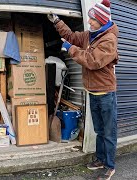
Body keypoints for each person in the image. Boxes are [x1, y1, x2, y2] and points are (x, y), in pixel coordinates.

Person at [48, 0, 118, 179]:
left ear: (102, 20)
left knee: (108, 133)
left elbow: (93, 61)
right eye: (89, 18)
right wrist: (57, 22)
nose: (89, 21)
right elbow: (71, 36)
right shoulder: (91, 35)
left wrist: (71, 50)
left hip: (106, 94)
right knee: (100, 131)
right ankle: (101, 159)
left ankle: (110, 166)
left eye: (92, 19)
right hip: (93, 93)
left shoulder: (109, 40)